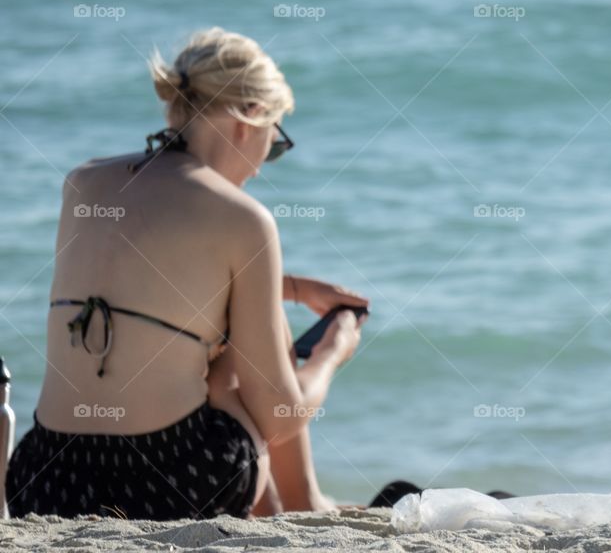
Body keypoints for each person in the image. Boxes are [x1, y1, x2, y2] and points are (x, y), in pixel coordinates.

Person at [4, 27, 369, 520]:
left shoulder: (84, 182)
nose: (262, 167)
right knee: (254, 347)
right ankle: (303, 502)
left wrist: (293, 287)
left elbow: (144, 284)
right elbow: (279, 416)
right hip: (173, 482)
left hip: (45, 479)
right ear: (250, 119)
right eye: (274, 143)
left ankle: (294, 504)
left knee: (224, 335)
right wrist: (332, 350)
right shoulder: (243, 217)